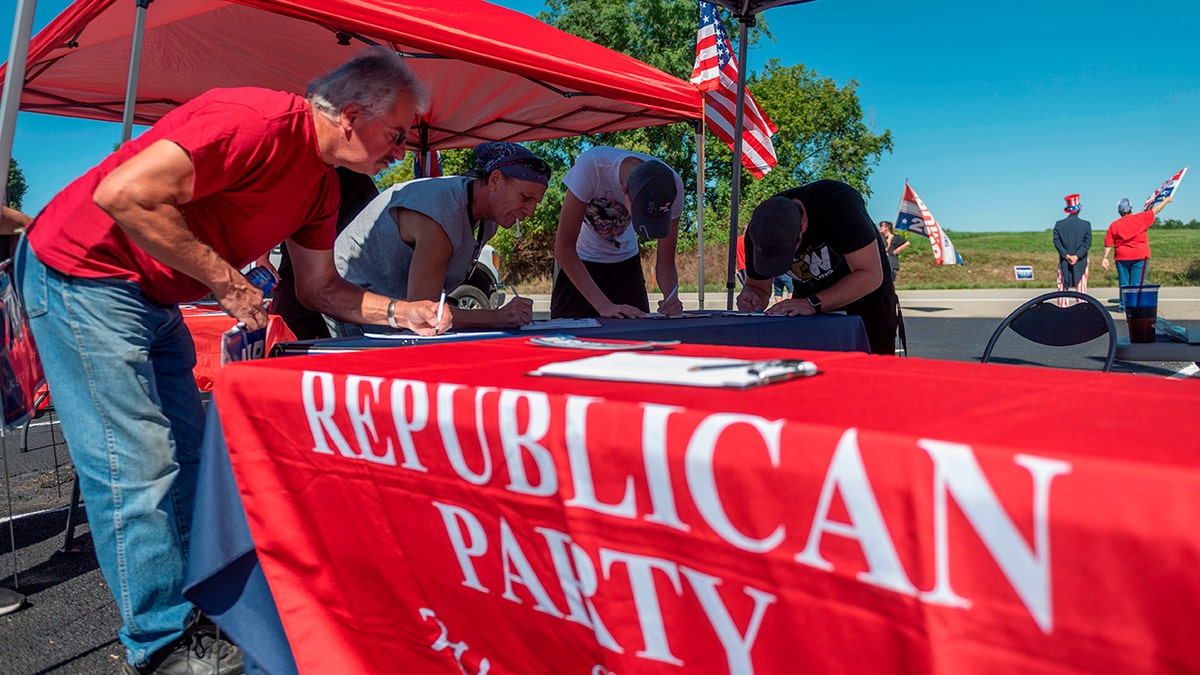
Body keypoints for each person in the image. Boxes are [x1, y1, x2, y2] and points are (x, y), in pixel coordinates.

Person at [13, 47, 451, 675]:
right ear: (352, 114)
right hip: (83, 274)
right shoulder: (255, 121)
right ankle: (161, 644)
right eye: (397, 133)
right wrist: (226, 280)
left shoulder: (320, 184)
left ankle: (204, 616)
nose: (401, 149)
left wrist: (399, 311)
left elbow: (321, 288)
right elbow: (124, 193)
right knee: (136, 467)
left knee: (190, 458)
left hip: (153, 291)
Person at [331, 141, 547, 335]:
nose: (530, 212)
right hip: (353, 303)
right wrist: (499, 317)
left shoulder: (488, 222)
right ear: (495, 180)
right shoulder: (443, 214)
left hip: (390, 306)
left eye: (536, 203)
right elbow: (425, 313)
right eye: (525, 198)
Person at [737, 180, 899, 356]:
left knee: (871, 375)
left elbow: (870, 275)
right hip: (809, 310)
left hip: (867, 305)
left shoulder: (838, 204)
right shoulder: (761, 228)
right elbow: (758, 287)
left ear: (803, 227)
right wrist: (752, 299)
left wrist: (812, 303)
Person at [550, 146, 685, 318]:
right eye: (640, 215)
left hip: (626, 266)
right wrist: (604, 306)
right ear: (624, 192)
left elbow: (666, 262)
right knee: (566, 339)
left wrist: (671, 298)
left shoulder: (673, 186)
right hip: (581, 263)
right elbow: (563, 249)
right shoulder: (592, 165)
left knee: (639, 336)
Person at [269, 167, 381, 339]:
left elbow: (376, 233)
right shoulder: (303, 175)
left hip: (346, 283)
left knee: (339, 349)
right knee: (284, 344)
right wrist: (262, 257)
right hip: (295, 276)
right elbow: (275, 214)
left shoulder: (358, 180)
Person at [1102, 195, 1172, 310]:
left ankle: (1124, 305)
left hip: (1121, 256)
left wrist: (1105, 257)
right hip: (1140, 255)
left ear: (1119, 211)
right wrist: (1166, 200)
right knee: (1137, 282)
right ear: (1131, 208)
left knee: (1124, 282)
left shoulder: (1114, 225)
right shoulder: (1141, 218)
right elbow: (1156, 210)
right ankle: (1134, 305)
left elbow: (1108, 242)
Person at [1053, 193, 1091, 307]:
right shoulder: (1086, 225)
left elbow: (1057, 242)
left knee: (1062, 287)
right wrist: (1077, 256)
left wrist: (1066, 255)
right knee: (1081, 288)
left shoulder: (1059, 225)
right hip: (1081, 259)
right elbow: (1087, 243)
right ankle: (1081, 310)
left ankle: (1062, 310)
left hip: (1064, 260)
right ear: (1078, 210)